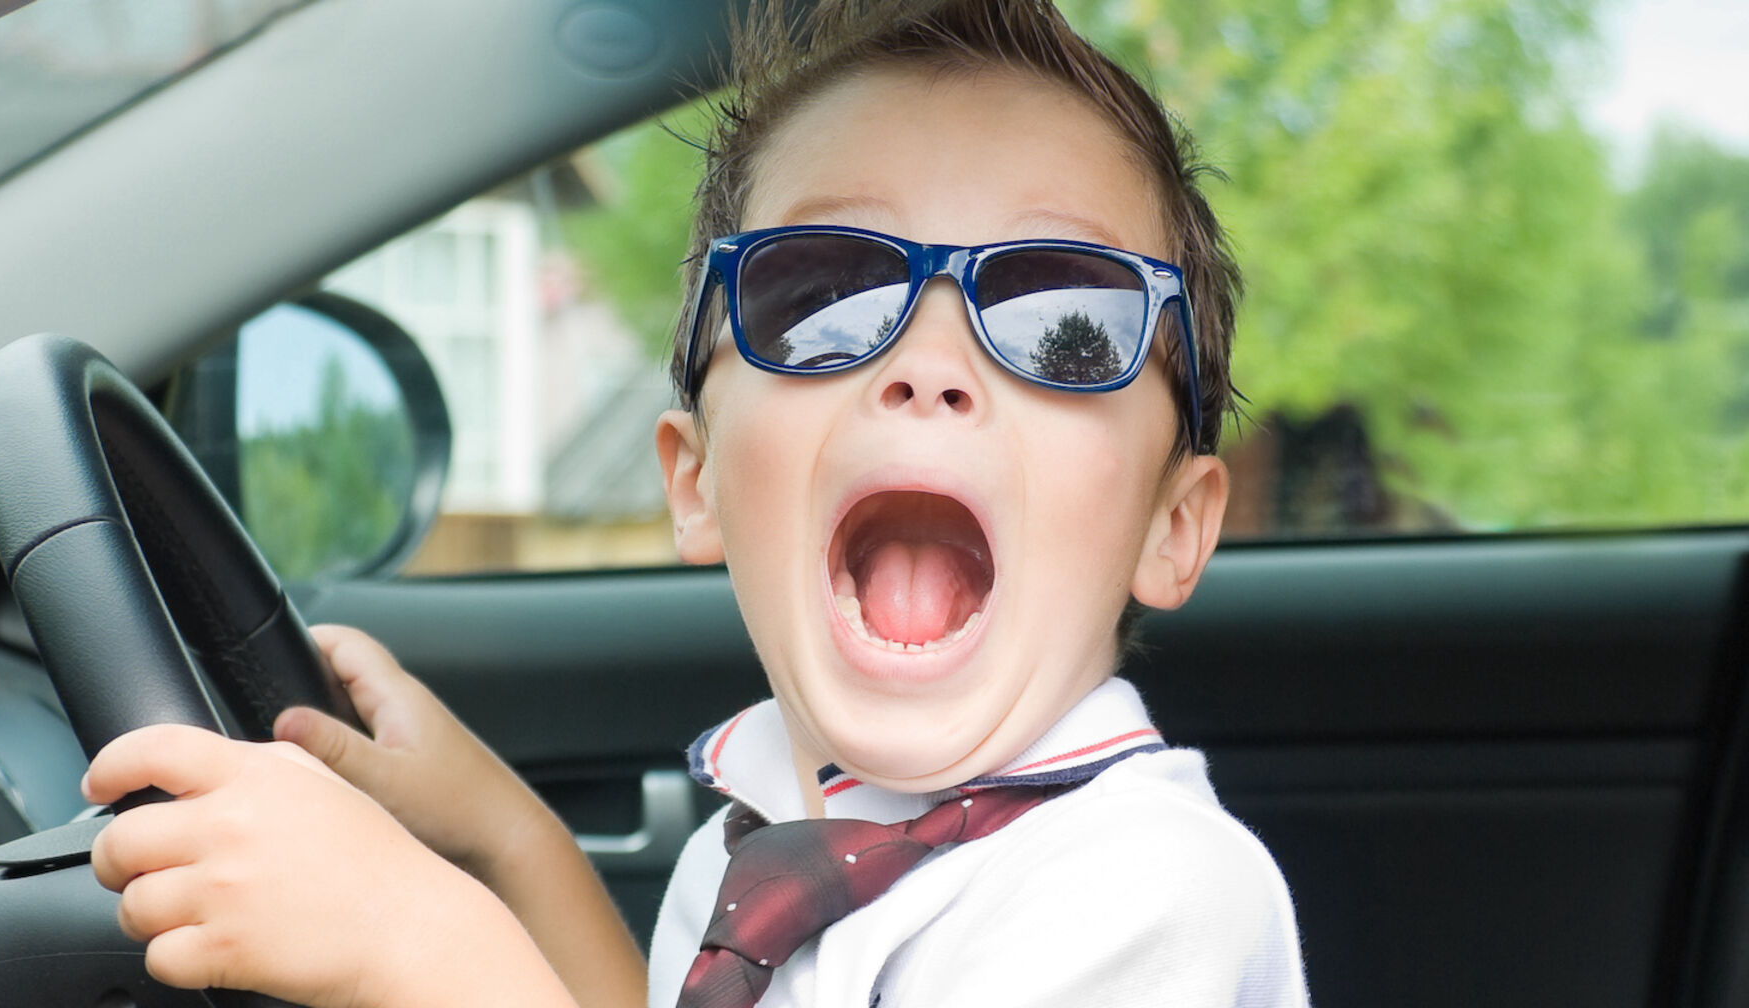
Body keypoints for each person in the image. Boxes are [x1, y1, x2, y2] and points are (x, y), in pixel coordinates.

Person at [82, 1, 1310, 1006]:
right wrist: (509, 842)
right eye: (822, 294)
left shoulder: (1144, 896)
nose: (932, 365)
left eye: (1064, 323)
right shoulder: (779, 837)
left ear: (1174, 526)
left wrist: (425, 949)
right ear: (695, 482)